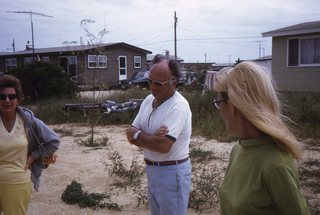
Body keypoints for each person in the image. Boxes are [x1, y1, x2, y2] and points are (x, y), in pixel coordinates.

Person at [213, 62, 310, 214]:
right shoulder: (238, 149)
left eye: (218, 103)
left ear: (234, 106)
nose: (218, 111)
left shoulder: (275, 166)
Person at [126, 57, 192, 215]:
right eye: (149, 81)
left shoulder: (178, 106)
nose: (152, 87)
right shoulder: (149, 100)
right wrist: (148, 137)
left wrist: (138, 135)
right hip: (152, 170)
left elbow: (163, 146)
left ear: (173, 82)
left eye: (158, 83)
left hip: (171, 172)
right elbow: (130, 131)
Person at [0, 75, 60, 215]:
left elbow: (54, 141)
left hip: (17, 182)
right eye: (2, 97)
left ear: (18, 99)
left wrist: (33, 157)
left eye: (11, 96)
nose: (7, 100)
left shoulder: (29, 122)